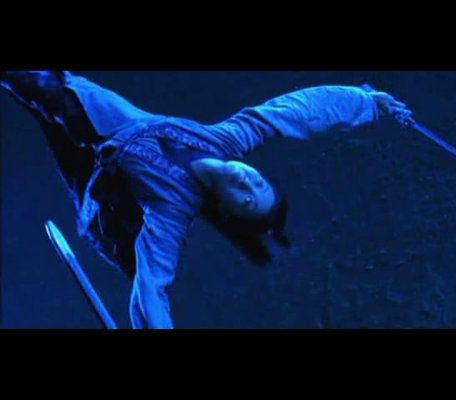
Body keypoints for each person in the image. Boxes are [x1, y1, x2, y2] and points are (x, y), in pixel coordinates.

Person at [0, 71, 413, 328]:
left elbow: (153, 285)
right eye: (259, 183)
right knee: (42, 85)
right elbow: (297, 110)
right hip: (103, 118)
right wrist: (366, 102)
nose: (247, 182)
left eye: (246, 198)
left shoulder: (172, 210)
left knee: (127, 255)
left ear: (228, 210)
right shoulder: (229, 139)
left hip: (96, 186)